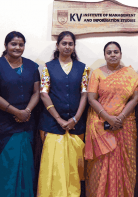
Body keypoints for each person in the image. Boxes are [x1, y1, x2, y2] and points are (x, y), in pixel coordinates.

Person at [0, 31, 40, 197]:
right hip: (3, 128)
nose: (17, 47)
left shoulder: (32, 66)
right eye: (13, 44)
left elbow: (37, 92)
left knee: (26, 169)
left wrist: (27, 111)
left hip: (26, 126)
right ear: (6, 45)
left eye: (21, 44)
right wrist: (16, 112)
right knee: (5, 169)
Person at [37, 31, 90, 197]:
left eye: (70, 44)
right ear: (57, 45)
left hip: (76, 125)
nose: (67, 46)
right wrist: (59, 118)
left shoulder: (84, 68)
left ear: (74, 47)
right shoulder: (47, 68)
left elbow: (85, 94)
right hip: (52, 125)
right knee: (52, 167)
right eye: (64, 43)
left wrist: (76, 118)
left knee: (73, 167)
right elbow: (44, 94)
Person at [85, 41, 138, 197]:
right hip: (101, 124)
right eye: (109, 52)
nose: (112, 55)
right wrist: (108, 118)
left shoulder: (130, 74)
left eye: (116, 52)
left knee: (125, 164)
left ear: (121, 54)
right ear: (104, 55)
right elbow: (91, 98)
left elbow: (135, 98)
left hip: (125, 124)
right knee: (100, 166)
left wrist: (120, 117)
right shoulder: (97, 73)